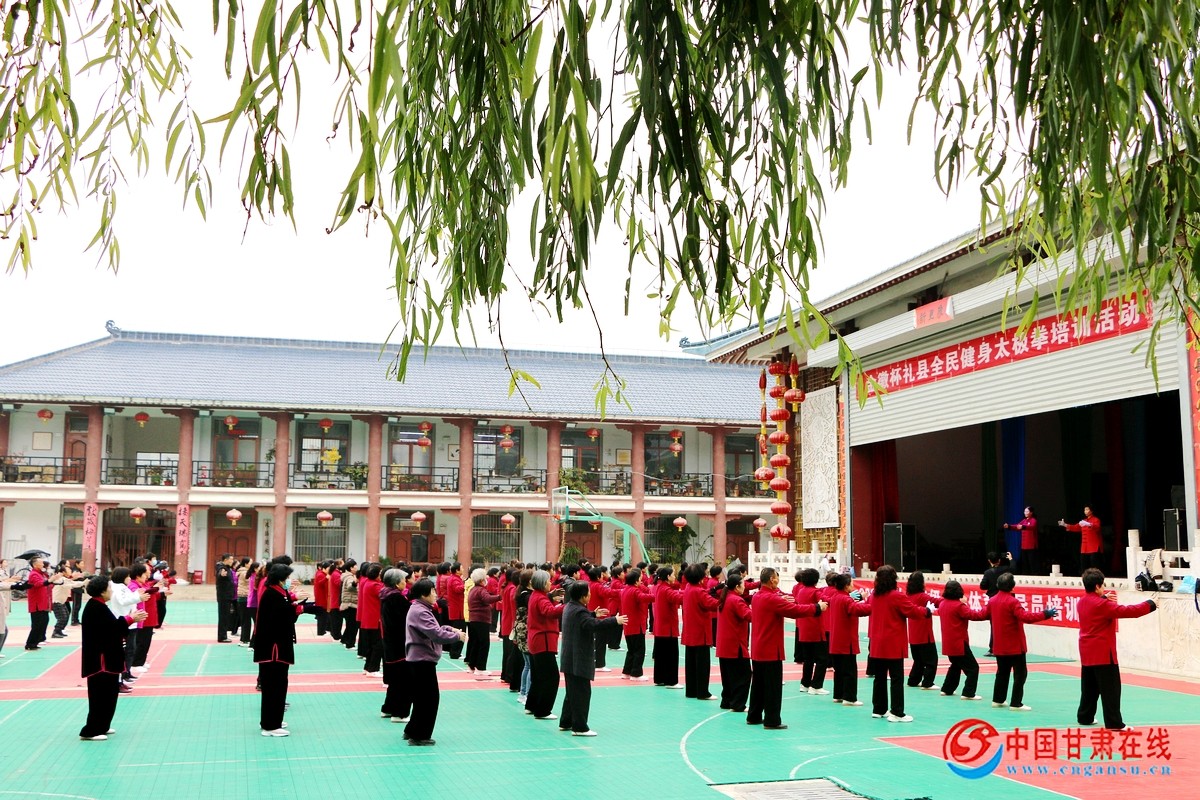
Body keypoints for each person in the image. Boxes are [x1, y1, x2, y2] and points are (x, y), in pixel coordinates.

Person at [1077, 568, 1156, 730]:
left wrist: (1103, 598)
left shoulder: (1082, 602)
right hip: (1103, 653)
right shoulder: (1102, 605)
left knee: (1089, 688)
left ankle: (1085, 716)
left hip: (1086, 652)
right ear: (1097, 586)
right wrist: (1150, 604)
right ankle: (1114, 723)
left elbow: (1095, 606)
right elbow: (1129, 611)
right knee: (1110, 690)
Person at [748, 567, 826, 729]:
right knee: (773, 687)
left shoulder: (758, 596)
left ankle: (754, 715)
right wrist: (817, 607)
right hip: (770, 649)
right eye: (777, 577)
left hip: (758, 647)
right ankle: (772, 720)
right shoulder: (772, 599)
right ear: (772, 580)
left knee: (758, 684)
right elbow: (794, 611)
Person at [79, 576, 147, 741]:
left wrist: (128, 619)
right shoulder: (95, 608)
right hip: (101, 662)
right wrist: (130, 619)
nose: (111, 591)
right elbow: (111, 630)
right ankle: (92, 730)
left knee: (109, 694)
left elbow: (111, 628)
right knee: (100, 695)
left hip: (107, 659)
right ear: (102, 591)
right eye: (109, 588)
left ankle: (103, 725)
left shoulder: (99, 606)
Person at [403, 578, 467, 746]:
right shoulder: (421, 611)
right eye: (432, 591)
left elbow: (435, 629)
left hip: (420, 659)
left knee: (421, 698)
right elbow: (436, 634)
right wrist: (456, 636)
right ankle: (420, 735)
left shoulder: (420, 608)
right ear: (423, 594)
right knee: (429, 699)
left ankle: (412, 730)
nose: (435, 594)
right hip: (422, 660)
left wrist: (450, 629)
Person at [558, 580, 627, 736]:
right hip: (578, 658)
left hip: (569, 658)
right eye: (588, 593)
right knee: (582, 693)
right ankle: (580, 727)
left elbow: (584, 620)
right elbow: (593, 625)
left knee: (572, 692)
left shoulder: (570, 607)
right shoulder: (580, 611)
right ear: (583, 596)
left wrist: (593, 614)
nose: (590, 595)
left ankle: (566, 721)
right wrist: (614, 620)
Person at [986, 572, 1058, 710]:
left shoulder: (992, 601)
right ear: (1012, 586)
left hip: (999, 645)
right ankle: (1016, 703)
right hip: (1014, 646)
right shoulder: (1013, 602)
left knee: (1002, 673)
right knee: (1020, 674)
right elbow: (1026, 617)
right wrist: (1045, 614)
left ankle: (998, 699)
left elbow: (982, 614)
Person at [254, 563, 306, 737]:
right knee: (274, 686)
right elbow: (282, 617)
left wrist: (295, 604)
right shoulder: (272, 594)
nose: (288, 581)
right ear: (280, 578)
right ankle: (270, 725)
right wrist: (299, 608)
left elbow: (285, 612)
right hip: (273, 649)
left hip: (275, 647)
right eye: (287, 577)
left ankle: (272, 720)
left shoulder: (278, 593)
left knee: (278, 685)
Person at [525, 569, 566, 720]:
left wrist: (552, 596)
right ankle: (543, 710)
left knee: (538, 676)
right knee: (551, 677)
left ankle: (531, 705)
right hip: (543, 641)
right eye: (548, 581)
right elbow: (550, 612)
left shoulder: (536, 595)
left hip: (536, 640)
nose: (550, 583)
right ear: (543, 583)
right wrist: (566, 605)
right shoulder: (541, 598)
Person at [936, 580, 988, 699]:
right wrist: (988, 609)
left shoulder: (943, 604)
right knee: (973, 668)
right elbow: (976, 615)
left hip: (948, 643)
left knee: (956, 665)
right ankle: (968, 693)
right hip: (959, 642)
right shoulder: (959, 606)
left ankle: (947, 688)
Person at [827, 573, 871, 706]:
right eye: (851, 583)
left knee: (839, 670)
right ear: (846, 586)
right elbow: (858, 610)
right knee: (850, 671)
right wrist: (872, 605)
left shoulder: (835, 597)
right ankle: (850, 698)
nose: (853, 585)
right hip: (846, 641)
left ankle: (838, 695)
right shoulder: (846, 600)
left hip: (836, 640)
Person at [680, 563, 719, 700]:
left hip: (690, 632)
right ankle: (703, 692)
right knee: (702, 664)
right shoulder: (699, 591)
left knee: (690, 663)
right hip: (700, 632)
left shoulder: (688, 588)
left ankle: (691, 690)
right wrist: (724, 595)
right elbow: (714, 604)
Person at [714, 572, 752, 712]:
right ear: (737, 586)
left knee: (728, 675)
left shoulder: (725, 598)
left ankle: (727, 701)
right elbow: (749, 616)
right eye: (743, 584)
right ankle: (738, 703)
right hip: (735, 645)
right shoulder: (736, 600)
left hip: (724, 644)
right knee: (743, 675)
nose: (745, 587)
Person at [379, 568, 412, 723]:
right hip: (399, 644)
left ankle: (388, 708)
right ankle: (399, 713)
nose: (406, 582)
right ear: (397, 583)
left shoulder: (386, 595)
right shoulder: (396, 598)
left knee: (395, 680)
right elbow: (407, 618)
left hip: (390, 643)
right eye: (404, 580)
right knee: (404, 680)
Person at [793, 568, 830, 695]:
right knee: (822, 659)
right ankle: (816, 685)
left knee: (808, 659)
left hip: (804, 630)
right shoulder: (815, 591)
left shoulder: (801, 591)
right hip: (815, 630)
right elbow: (826, 599)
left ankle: (805, 683)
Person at [904, 571, 941, 690]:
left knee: (918, 660)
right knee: (931, 660)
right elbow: (937, 602)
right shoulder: (923, 597)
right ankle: (927, 682)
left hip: (913, 635)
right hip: (924, 635)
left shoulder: (907, 597)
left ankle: (913, 680)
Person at [651, 566, 683, 687]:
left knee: (661, 656)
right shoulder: (666, 590)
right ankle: (671, 681)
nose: (674, 577)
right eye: (673, 574)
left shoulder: (659, 587)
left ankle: (660, 679)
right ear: (668, 576)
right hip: (668, 628)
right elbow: (679, 598)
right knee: (671, 656)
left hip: (660, 627)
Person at [465, 567, 500, 677]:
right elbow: (487, 599)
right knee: (484, 644)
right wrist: (499, 597)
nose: (486, 580)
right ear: (481, 580)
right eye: (485, 578)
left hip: (473, 619)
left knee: (475, 643)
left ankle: (472, 665)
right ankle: (480, 667)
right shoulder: (481, 590)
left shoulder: (473, 589)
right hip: (481, 620)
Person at [619, 567, 652, 681]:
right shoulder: (635, 591)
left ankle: (627, 672)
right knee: (639, 650)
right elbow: (644, 597)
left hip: (628, 625)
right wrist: (656, 595)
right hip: (637, 625)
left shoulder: (625, 590)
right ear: (636, 580)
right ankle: (636, 674)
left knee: (631, 650)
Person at [22, 555, 53, 650]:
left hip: (43, 602)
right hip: (37, 604)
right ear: (35, 565)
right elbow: (39, 584)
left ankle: (36, 641)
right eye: (41, 562)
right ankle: (30, 643)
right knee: (37, 624)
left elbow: (47, 584)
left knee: (43, 622)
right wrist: (50, 580)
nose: (43, 564)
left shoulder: (41, 574)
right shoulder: (34, 574)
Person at [1059, 506, 1103, 573]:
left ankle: (1096, 576)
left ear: (1091, 511)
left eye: (1087, 509)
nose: (1085, 511)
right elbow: (1075, 527)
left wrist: (1089, 524)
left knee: (1094, 564)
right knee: (1083, 564)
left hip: (1093, 546)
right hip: (1084, 547)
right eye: (1084, 510)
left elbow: (1097, 527)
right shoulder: (1083, 521)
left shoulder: (1096, 520)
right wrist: (1065, 525)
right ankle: (1084, 576)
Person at [1004, 506, 1040, 574]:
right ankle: (1025, 575)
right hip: (1024, 546)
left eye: (1027, 511)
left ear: (1031, 512)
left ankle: (1035, 575)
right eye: (1024, 511)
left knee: (1032, 563)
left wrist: (1023, 527)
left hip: (1031, 546)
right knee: (1024, 563)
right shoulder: (1024, 520)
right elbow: (1017, 526)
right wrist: (1009, 526)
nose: (1025, 513)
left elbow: (1032, 527)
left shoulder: (1033, 520)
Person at [214, 554, 235, 643]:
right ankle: (222, 637)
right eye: (231, 559)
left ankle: (223, 635)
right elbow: (220, 573)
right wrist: (221, 575)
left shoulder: (227, 568)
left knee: (225, 617)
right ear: (226, 560)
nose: (232, 561)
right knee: (223, 617)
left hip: (227, 596)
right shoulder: (222, 568)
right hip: (224, 596)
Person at [340, 560, 359, 650]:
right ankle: (350, 644)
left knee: (350, 625)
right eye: (355, 566)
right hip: (350, 604)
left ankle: (344, 640)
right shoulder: (349, 577)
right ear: (351, 568)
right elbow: (350, 587)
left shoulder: (348, 576)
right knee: (352, 626)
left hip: (349, 604)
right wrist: (355, 583)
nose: (357, 567)